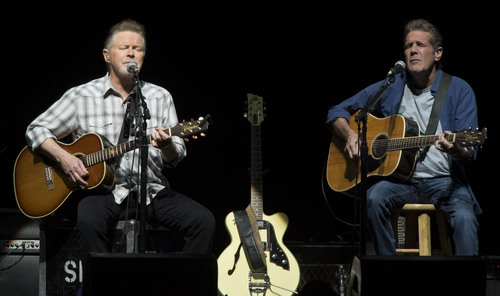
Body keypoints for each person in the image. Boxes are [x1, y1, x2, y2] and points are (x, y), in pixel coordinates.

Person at [25, 19, 216, 258]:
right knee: (88, 219)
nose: (131, 53)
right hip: (103, 194)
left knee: (203, 222)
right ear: (107, 55)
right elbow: (36, 128)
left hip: (152, 191)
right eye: (124, 48)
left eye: (137, 49)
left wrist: (167, 145)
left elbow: (175, 156)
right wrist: (64, 158)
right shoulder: (81, 95)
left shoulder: (159, 96)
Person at [326, 19, 481, 256]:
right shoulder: (392, 86)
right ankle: (389, 270)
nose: (413, 50)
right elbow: (336, 111)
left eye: (420, 45)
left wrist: (454, 148)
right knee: (373, 198)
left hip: (444, 182)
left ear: (437, 53)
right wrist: (349, 135)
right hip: (402, 183)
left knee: (464, 218)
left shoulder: (459, 89)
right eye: (408, 46)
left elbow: (468, 153)